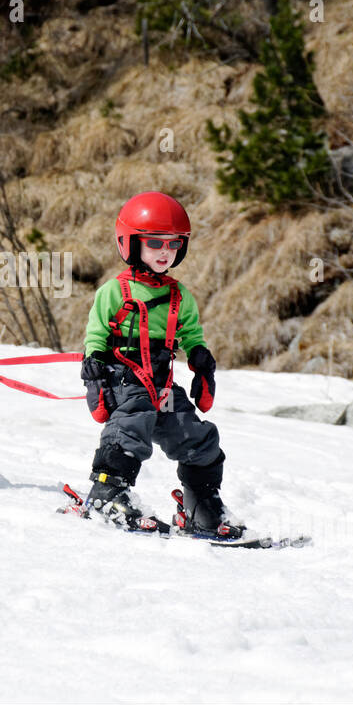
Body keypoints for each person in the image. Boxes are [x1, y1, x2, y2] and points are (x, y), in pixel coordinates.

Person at [77, 191, 243, 537]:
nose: (165, 252)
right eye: (155, 243)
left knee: (196, 435)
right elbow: (95, 333)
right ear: (131, 243)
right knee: (132, 425)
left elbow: (192, 334)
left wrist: (200, 357)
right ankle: (107, 494)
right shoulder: (114, 292)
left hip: (162, 382)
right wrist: (93, 365)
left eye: (173, 244)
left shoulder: (179, 296)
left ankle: (201, 506)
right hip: (123, 378)